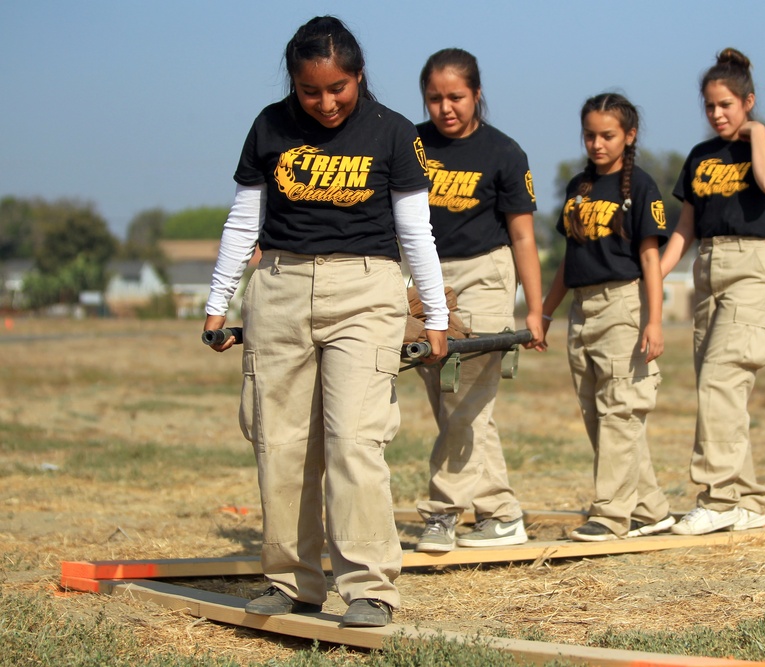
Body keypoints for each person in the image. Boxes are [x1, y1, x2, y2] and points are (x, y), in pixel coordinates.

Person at [202, 16, 449, 627]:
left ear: (358, 77)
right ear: (293, 84)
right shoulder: (269, 125)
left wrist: (436, 312)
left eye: (338, 88)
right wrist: (218, 301)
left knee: (354, 439)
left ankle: (368, 584)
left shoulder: (392, 132)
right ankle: (291, 581)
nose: (326, 102)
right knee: (279, 441)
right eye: (311, 91)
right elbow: (243, 221)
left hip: (366, 289)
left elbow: (415, 230)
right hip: (280, 289)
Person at [412, 48, 544, 552]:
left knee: (467, 398)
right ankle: (502, 513)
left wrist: (533, 309)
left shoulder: (504, 153)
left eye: (456, 97)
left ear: (477, 94)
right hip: (428, 277)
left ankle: (442, 510)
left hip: (487, 272)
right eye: (434, 98)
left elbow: (524, 237)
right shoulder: (413, 145)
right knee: (451, 402)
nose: (446, 108)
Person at [660, 48, 765, 536]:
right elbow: (684, 230)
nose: (717, 114)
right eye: (710, 107)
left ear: (748, 101)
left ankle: (717, 499)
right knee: (720, 392)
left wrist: (755, 131)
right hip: (707, 270)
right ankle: (747, 501)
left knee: (720, 381)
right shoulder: (699, 158)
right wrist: (652, 275)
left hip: (753, 268)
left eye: (727, 106)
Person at [539, 93, 674, 542]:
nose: (597, 144)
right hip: (582, 310)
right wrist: (544, 312)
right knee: (603, 416)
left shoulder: (641, 189)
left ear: (629, 136)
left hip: (623, 306)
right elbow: (567, 258)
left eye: (607, 136)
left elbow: (651, 260)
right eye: (590, 135)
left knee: (621, 409)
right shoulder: (579, 186)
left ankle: (612, 515)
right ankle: (651, 509)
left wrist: (654, 321)